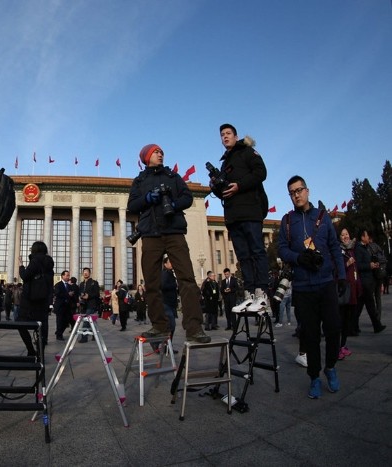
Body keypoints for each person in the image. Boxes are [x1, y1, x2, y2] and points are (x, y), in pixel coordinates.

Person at [128, 143, 210, 343]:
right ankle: (159, 325)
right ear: (146, 157)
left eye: (161, 152)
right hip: (150, 235)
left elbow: (187, 197)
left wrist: (173, 203)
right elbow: (132, 206)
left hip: (174, 232)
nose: (160, 154)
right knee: (152, 283)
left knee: (187, 280)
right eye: (156, 152)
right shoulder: (139, 180)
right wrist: (148, 198)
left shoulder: (173, 177)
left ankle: (194, 328)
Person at [277, 175, 346, 399]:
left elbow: (335, 248)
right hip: (304, 287)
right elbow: (281, 250)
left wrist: (342, 277)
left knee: (334, 327)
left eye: (299, 190)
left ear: (307, 191)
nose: (296, 195)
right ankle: (315, 377)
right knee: (311, 335)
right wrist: (298, 258)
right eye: (292, 192)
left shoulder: (323, 217)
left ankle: (331, 367)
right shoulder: (287, 222)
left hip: (325, 283)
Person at [211, 124, 269, 313]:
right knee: (243, 256)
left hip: (250, 212)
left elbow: (261, 173)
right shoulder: (225, 163)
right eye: (222, 135)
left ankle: (261, 292)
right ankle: (249, 294)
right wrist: (216, 187)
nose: (225, 137)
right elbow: (225, 193)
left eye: (228, 134)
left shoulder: (247, 152)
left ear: (236, 137)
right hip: (233, 216)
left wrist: (240, 186)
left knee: (257, 251)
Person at [17, 241, 54, 354]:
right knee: (41, 328)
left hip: (30, 301)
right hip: (43, 300)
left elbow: (25, 276)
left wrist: (21, 266)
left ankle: (31, 350)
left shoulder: (35, 261)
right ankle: (40, 354)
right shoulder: (49, 263)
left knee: (21, 324)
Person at [352, 229, 386, 334]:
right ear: (362, 237)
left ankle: (353, 326)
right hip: (364, 281)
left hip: (367, 279)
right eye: (366, 235)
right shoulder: (359, 249)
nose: (368, 237)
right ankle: (376, 325)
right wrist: (369, 266)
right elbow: (358, 265)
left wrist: (373, 264)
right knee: (370, 305)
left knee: (360, 306)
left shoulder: (365, 248)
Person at [338, 228, 361, 360]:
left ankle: (343, 345)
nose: (345, 236)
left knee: (348, 319)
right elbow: (336, 269)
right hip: (343, 289)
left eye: (347, 234)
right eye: (343, 235)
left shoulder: (352, 250)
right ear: (339, 237)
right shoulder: (339, 252)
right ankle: (338, 347)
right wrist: (347, 264)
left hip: (352, 287)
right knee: (341, 319)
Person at [77, 267, 100, 343]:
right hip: (84, 305)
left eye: (87, 272)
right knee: (91, 321)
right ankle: (94, 334)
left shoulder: (94, 283)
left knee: (86, 321)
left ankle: (84, 337)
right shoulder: (81, 284)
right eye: (84, 272)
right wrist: (80, 298)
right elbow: (80, 293)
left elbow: (97, 294)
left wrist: (89, 296)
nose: (85, 273)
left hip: (91, 304)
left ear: (89, 273)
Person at [53, 270, 74, 341]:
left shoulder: (69, 286)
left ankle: (59, 332)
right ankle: (59, 335)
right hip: (60, 306)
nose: (68, 277)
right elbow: (58, 294)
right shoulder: (58, 285)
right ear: (63, 276)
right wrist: (67, 294)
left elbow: (71, 294)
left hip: (67, 306)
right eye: (67, 275)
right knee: (60, 321)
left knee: (67, 321)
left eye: (69, 275)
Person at [161, 257, 179, 339]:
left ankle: (167, 346)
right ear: (165, 264)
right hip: (166, 302)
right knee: (171, 325)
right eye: (170, 262)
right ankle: (158, 343)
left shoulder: (171, 273)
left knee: (170, 326)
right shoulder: (165, 273)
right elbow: (163, 286)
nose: (172, 263)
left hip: (171, 303)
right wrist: (175, 284)